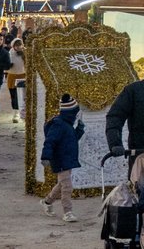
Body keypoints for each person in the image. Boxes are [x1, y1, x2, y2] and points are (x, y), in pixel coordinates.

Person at [40, 93, 85, 223]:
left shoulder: (68, 124)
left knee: (61, 184)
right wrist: (46, 156)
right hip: (59, 159)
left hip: (67, 159)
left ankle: (47, 201)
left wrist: (79, 130)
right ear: (70, 112)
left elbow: (72, 139)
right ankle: (68, 212)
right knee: (67, 186)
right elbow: (50, 141)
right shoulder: (59, 124)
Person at [7, 38, 26, 123]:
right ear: (13, 46)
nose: (19, 47)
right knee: (14, 96)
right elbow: (5, 65)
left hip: (23, 76)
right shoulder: (10, 53)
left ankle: (24, 113)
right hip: (12, 76)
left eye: (20, 45)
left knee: (23, 96)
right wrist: (8, 66)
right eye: (17, 45)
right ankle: (16, 113)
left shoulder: (25, 53)